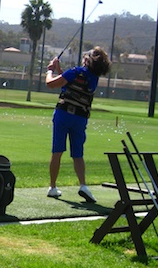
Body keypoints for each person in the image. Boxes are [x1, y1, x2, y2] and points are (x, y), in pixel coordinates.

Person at [45, 46, 112, 203]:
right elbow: (72, 84)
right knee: (78, 154)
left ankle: (53, 187)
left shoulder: (75, 72)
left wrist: (50, 70)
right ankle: (83, 185)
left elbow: (51, 84)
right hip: (80, 119)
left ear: (88, 60)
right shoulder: (93, 79)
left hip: (63, 115)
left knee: (57, 151)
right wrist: (60, 70)